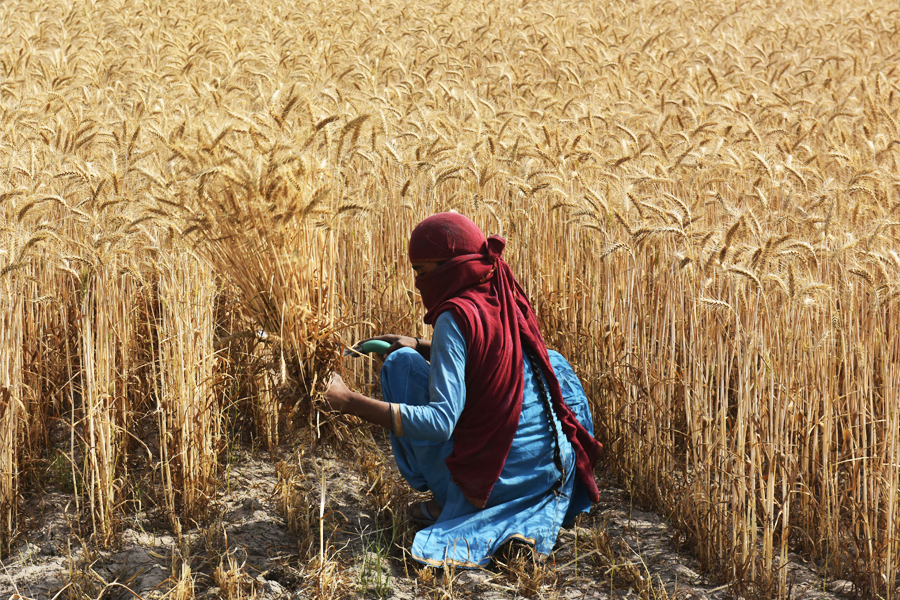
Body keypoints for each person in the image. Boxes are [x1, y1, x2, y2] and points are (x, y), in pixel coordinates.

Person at [324, 212, 602, 568]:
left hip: (494, 482)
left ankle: (451, 501)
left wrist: (348, 401)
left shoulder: (454, 316)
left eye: (423, 273)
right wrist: (423, 344)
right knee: (554, 361)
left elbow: (440, 423)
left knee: (399, 365)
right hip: (547, 476)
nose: (418, 284)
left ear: (451, 267)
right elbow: (492, 351)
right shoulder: (502, 291)